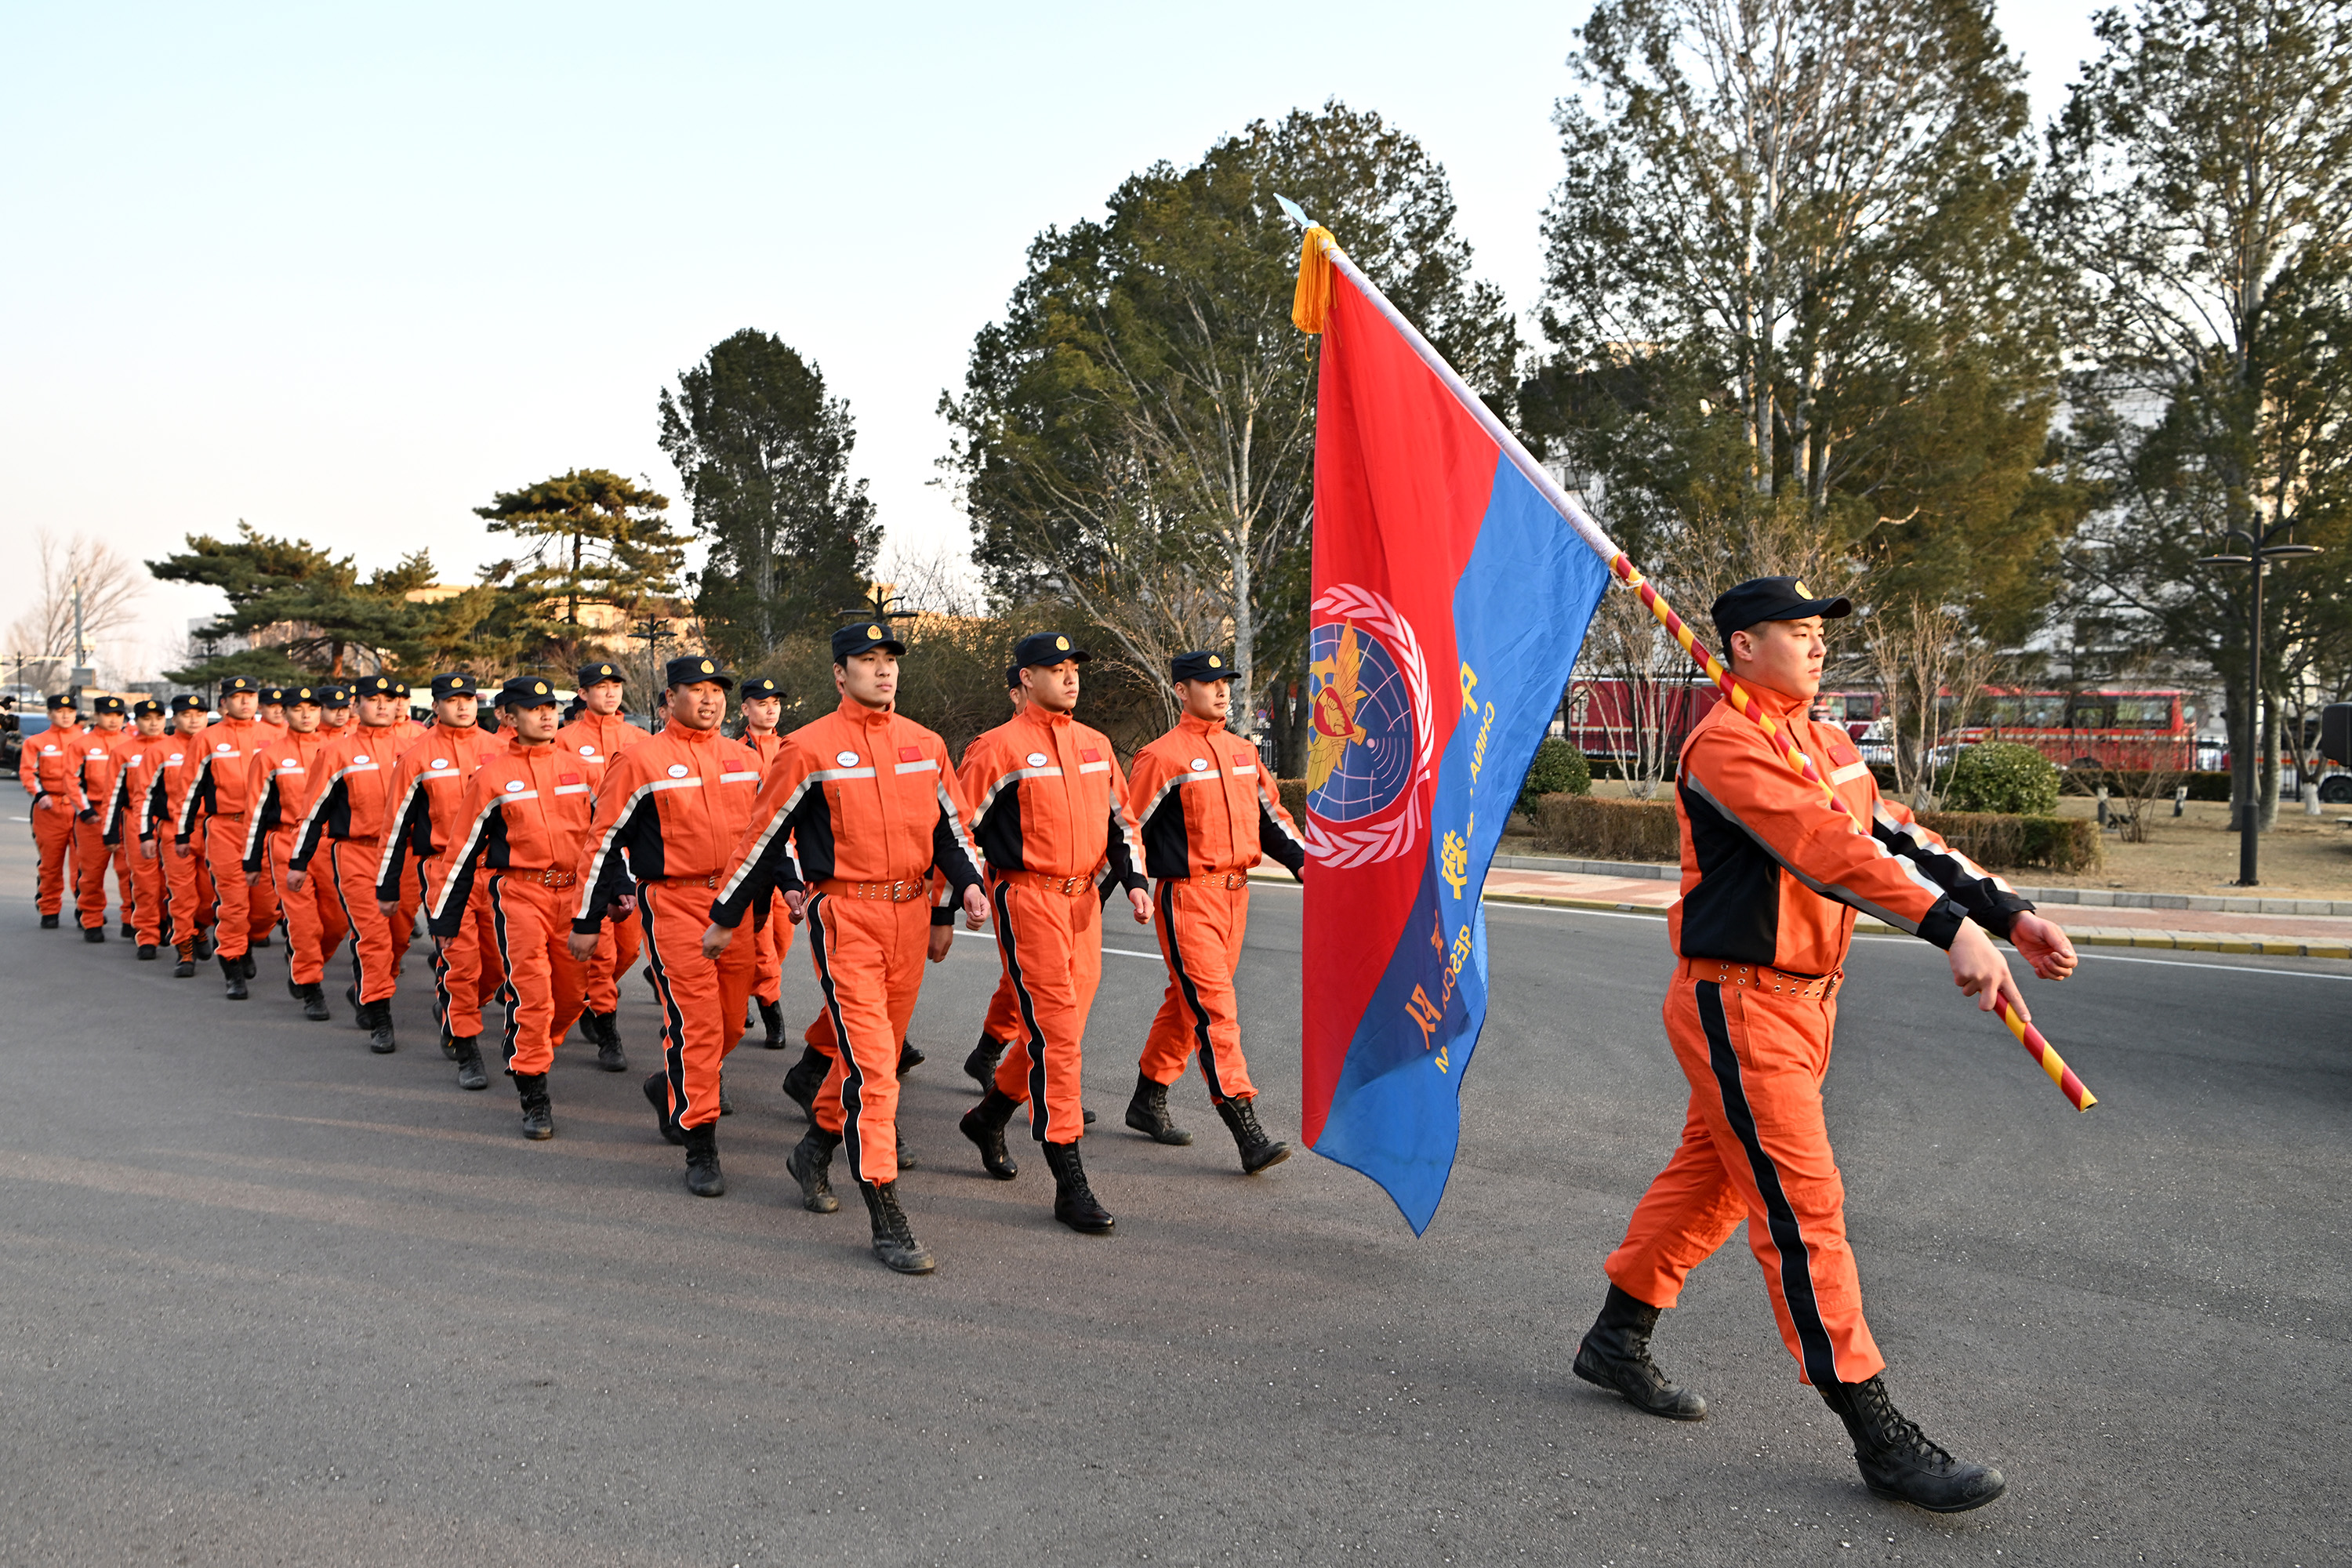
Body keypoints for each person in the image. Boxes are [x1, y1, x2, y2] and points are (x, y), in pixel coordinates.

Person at [1570, 577, 2079, 1515]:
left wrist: (2006, 911)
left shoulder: (1828, 738)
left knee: (1716, 1176)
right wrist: (1946, 929)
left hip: (1810, 1001)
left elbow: (1896, 836)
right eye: (1797, 632)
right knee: (1804, 1207)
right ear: (1741, 644)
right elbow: (1822, 847)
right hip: (1740, 1004)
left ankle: (1616, 1337)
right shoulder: (1725, 744)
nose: (1817, 647)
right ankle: (1878, 1431)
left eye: (1819, 633)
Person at [703, 623, 988, 1273]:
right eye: (868, 661)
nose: (883, 671)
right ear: (840, 674)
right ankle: (886, 1209)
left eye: (890, 660)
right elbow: (764, 836)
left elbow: (953, 828)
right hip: (847, 918)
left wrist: (967, 885)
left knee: (869, 1057)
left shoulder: (925, 743)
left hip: (910, 916)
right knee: (877, 1069)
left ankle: (813, 1149)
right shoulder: (808, 748)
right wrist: (726, 913)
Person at [956, 632, 1149, 1236]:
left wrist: (1136, 878)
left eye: (1073, 668)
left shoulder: (1095, 745)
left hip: (1084, 903)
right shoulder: (996, 748)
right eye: (1054, 669)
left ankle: (989, 1117)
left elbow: (1124, 820)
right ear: (1022, 681)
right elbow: (958, 829)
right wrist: (954, 899)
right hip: (1028, 898)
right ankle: (1070, 1178)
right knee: (1059, 1036)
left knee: (1057, 1029)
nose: (1069, 677)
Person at [575, 656, 766, 1195]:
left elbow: (768, 832)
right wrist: (588, 916)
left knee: (730, 1025)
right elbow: (604, 840)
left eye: (716, 690)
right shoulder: (640, 760)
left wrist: (789, 884)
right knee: (697, 1026)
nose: (709, 699)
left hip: (735, 906)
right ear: (669, 699)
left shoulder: (744, 758)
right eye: (695, 690)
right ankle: (700, 1143)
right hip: (676, 905)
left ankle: (670, 1084)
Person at [1124, 651, 1308, 1171]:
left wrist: (1307, 864)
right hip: (1186, 895)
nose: (1222, 690)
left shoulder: (1243, 753)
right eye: (1208, 683)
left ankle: (1148, 1098)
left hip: (1235, 896)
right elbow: (1127, 829)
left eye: (1225, 681)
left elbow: (1273, 819)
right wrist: (1111, 890)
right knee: (1215, 1011)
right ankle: (1246, 1127)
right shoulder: (1161, 757)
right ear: (1183, 690)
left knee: (1188, 1003)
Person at [432, 677, 594, 1139]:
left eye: (551, 707)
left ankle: (530, 1043)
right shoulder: (491, 776)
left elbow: (604, 836)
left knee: (571, 996)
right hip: (520, 894)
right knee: (533, 994)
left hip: (574, 894)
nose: (546, 715)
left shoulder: (580, 769)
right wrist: (446, 916)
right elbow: (462, 851)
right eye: (532, 708)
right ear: (508, 717)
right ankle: (533, 1090)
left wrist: (613, 889)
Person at [375, 673, 508, 1083]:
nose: (463, 706)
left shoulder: (500, 749)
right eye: (453, 700)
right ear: (436, 706)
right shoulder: (416, 757)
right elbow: (396, 825)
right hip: (445, 872)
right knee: (462, 963)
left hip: (497, 874)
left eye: (468, 698)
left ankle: (453, 1006)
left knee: (498, 966)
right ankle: (465, 1043)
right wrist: (387, 884)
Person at [287, 674, 421, 1051]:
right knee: (374, 936)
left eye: (389, 699)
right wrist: (299, 861)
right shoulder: (336, 753)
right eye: (373, 699)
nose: (382, 705)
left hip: (405, 855)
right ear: (356, 705)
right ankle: (380, 1015)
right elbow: (313, 812)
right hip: (357, 853)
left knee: (398, 935)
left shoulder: (414, 749)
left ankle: (366, 987)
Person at [556, 660, 646, 1060]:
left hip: (633, 859)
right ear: (582, 694)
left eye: (615, 685)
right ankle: (607, 1029)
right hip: (588, 858)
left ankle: (594, 999)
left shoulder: (640, 738)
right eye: (600, 686)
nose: (610, 692)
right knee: (602, 951)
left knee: (629, 950)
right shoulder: (563, 740)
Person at [175, 675, 284, 1000]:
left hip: (265, 830)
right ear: (224, 702)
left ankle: (248, 940)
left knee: (266, 907)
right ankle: (233, 967)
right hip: (226, 827)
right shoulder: (207, 739)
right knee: (232, 903)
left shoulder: (275, 735)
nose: (245, 701)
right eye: (237, 696)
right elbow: (189, 789)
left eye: (250, 695)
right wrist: (183, 832)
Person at [243, 684, 347, 1021]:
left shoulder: (336, 751)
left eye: (313, 708)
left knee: (336, 921)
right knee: (303, 923)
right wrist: (251, 858)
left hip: (328, 845)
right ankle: (310, 985)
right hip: (286, 842)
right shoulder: (270, 757)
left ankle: (306, 963)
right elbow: (256, 812)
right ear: (284, 713)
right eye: (298, 708)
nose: (306, 715)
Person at [734, 674, 794, 1050]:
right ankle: (771, 1010)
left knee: (781, 940)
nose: (770, 709)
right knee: (760, 945)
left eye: (775, 702)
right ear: (745, 708)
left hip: (790, 860)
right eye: (761, 702)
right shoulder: (734, 752)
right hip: (754, 857)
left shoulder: (794, 746)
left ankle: (751, 994)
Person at [149, 695, 219, 976]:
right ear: (174, 718)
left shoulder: (217, 745)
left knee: (209, 895)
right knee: (181, 894)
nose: (193, 719)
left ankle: (199, 927)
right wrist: (145, 832)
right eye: (186, 714)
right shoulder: (160, 750)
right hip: (175, 828)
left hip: (214, 829)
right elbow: (146, 793)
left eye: (199, 713)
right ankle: (184, 949)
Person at [105, 699, 174, 959]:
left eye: (158, 718)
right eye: (147, 718)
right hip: (136, 819)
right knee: (145, 880)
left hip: (170, 821)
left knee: (171, 881)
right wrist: (111, 832)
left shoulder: (178, 748)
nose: (154, 723)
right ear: (136, 721)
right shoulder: (123, 752)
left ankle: (168, 924)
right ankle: (146, 934)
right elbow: (113, 794)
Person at [22, 693, 87, 930]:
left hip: (80, 809)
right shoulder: (36, 742)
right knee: (50, 863)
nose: (66, 715)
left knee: (83, 864)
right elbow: (28, 772)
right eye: (60, 711)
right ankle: (49, 908)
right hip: (49, 810)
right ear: (50, 714)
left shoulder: (85, 740)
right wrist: (40, 795)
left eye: (70, 711)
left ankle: (86, 910)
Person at [71, 695, 133, 941]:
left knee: (129, 871)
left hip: (123, 815)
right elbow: (71, 780)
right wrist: (85, 810)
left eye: (118, 715)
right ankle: (92, 919)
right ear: (97, 716)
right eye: (108, 714)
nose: (113, 719)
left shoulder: (131, 743)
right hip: (94, 815)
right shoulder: (82, 745)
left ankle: (131, 919)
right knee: (92, 872)